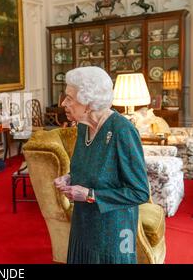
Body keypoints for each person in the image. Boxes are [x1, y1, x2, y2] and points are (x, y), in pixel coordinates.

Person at [54, 66, 150, 264]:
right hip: (83, 224)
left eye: (70, 98)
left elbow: (140, 192)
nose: (64, 103)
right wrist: (70, 177)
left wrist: (90, 195)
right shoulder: (83, 126)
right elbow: (90, 167)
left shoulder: (122, 131)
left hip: (113, 233)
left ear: (88, 102)